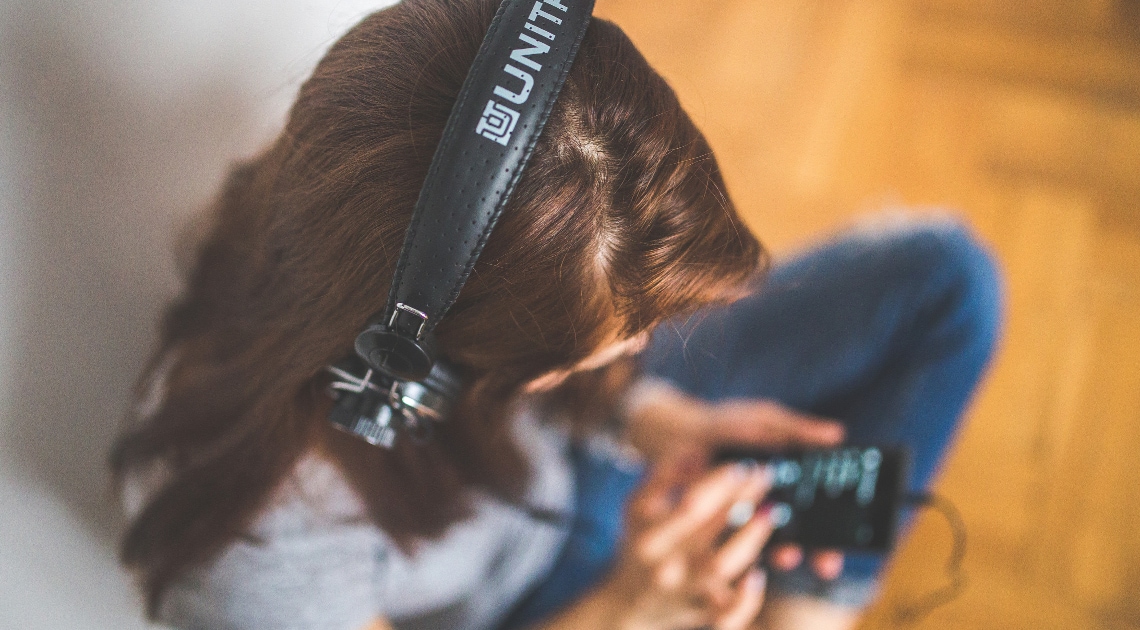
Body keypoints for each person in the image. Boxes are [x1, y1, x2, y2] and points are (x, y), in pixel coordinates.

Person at [112, 1, 1002, 629]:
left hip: (568, 456)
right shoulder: (252, 553)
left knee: (945, 279)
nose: (648, 346)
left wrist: (646, 413)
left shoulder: (369, 193)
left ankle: (802, 606)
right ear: (419, 367)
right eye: (611, 341)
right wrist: (630, 606)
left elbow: (580, 358)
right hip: (549, 602)